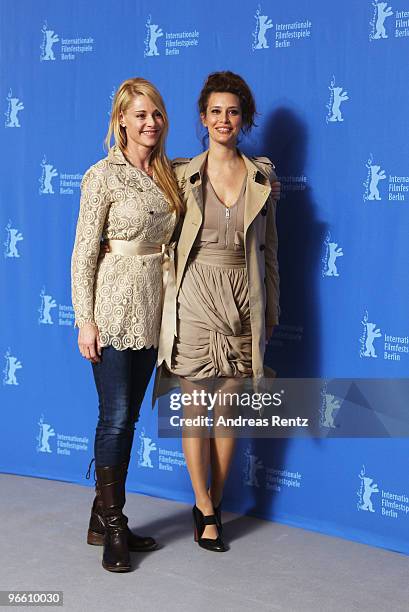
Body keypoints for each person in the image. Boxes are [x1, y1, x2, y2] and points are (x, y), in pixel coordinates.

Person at [158, 71, 280, 552]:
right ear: (203, 118)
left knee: (227, 411)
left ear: (243, 118)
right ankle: (204, 508)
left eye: (232, 111)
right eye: (215, 111)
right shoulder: (181, 173)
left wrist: (270, 312)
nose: (223, 119)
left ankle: (214, 499)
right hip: (193, 296)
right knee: (195, 409)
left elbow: (272, 252)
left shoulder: (261, 177)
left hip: (244, 297)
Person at [71, 77, 182, 572]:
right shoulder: (102, 176)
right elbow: (82, 252)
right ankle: (115, 527)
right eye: (140, 115)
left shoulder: (168, 176)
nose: (150, 123)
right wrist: (84, 320)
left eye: (156, 114)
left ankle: (102, 517)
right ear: (121, 120)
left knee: (131, 417)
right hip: (114, 307)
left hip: (155, 308)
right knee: (114, 417)